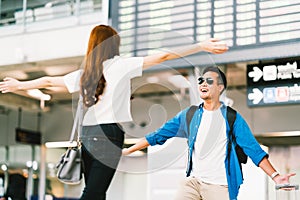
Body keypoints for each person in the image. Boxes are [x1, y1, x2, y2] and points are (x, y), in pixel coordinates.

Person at [0, 25, 228, 200]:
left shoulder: (85, 73)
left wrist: (20, 85)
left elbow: (50, 81)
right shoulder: (121, 65)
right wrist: (199, 46)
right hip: (109, 133)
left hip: (87, 134)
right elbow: (164, 56)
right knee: (93, 193)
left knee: (97, 193)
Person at [122, 66, 296, 200]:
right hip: (194, 181)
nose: (203, 84)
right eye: (201, 81)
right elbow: (157, 136)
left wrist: (275, 176)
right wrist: (126, 151)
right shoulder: (189, 115)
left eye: (209, 81)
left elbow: (253, 149)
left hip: (220, 186)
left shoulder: (231, 118)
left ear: (220, 88)